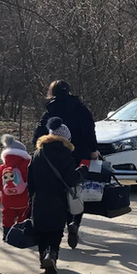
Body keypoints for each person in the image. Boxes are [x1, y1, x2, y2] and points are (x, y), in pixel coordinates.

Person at [31, 80, 98, 249]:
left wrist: (38, 147)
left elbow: (39, 132)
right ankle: (75, 222)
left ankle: (61, 224)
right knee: (76, 189)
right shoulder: (81, 108)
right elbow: (90, 129)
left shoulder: (50, 109)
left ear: (52, 92)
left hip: (54, 154)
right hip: (80, 152)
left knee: (59, 188)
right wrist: (93, 149)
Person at [27, 117, 88, 274]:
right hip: (58, 199)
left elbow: (30, 177)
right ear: (65, 138)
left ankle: (43, 256)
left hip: (39, 198)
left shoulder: (38, 153)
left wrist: (30, 197)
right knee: (56, 231)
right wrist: (81, 172)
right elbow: (70, 179)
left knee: (40, 230)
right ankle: (52, 254)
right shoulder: (65, 155)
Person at [0, 134, 31, 238]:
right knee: (23, 215)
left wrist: (5, 191)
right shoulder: (27, 165)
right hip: (24, 199)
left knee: (7, 215)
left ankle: (6, 233)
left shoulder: (2, 167)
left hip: (7, 199)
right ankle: (20, 234)